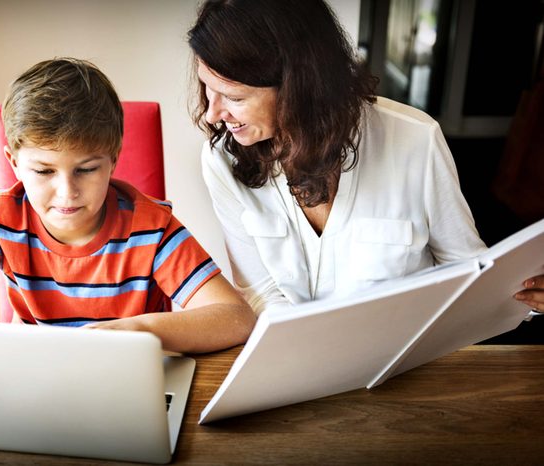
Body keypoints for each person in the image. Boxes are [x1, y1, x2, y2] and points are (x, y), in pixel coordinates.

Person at [187, 0, 544, 315]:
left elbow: (464, 269)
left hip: (405, 364)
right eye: (207, 87)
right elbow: (261, 292)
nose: (212, 114)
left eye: (233, 97)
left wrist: (527, 292)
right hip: (299, 366)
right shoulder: (222, 160)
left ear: (298, 86)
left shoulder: (415, 139)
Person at [0, 57, 256, 353]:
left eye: (86, 169)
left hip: (128, 385)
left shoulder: (151, 227)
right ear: (14, 163)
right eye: (44, 171)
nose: (67, 192)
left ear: (113, 160)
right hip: (33, 385)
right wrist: (5, 342)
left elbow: (236, 318)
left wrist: (134, 330)